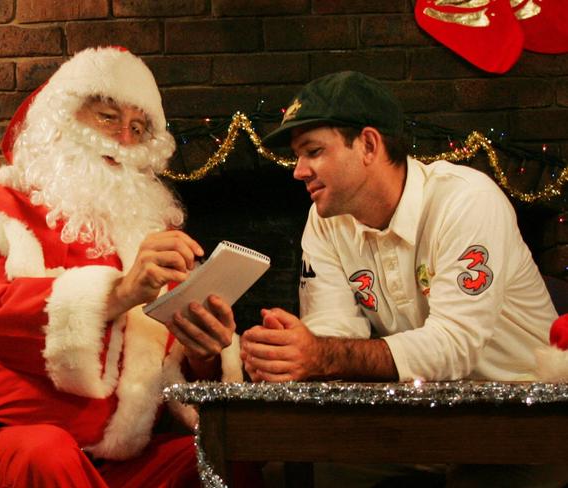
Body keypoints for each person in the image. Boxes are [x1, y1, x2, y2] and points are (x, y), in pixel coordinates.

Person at [0, 46, 243, 488]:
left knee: (225, 456)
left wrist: (202, 351)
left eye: (137, 127)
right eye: (108, 118)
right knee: (49, 455)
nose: (125, 141)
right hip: (7, 450)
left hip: (124, 462)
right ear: (62, 122)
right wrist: (119, 293)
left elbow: (169, 373)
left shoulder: (141, 235)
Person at [239, 71, 568, 487]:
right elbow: (333, 332)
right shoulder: (324, 222)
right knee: (317, 470)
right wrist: (293, 354)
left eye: (314, 151)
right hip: (415, 422)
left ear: (369, 145)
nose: (298, 171)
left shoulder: (466, 199)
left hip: (521, 419)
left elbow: (454, 345)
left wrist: (321, 354)